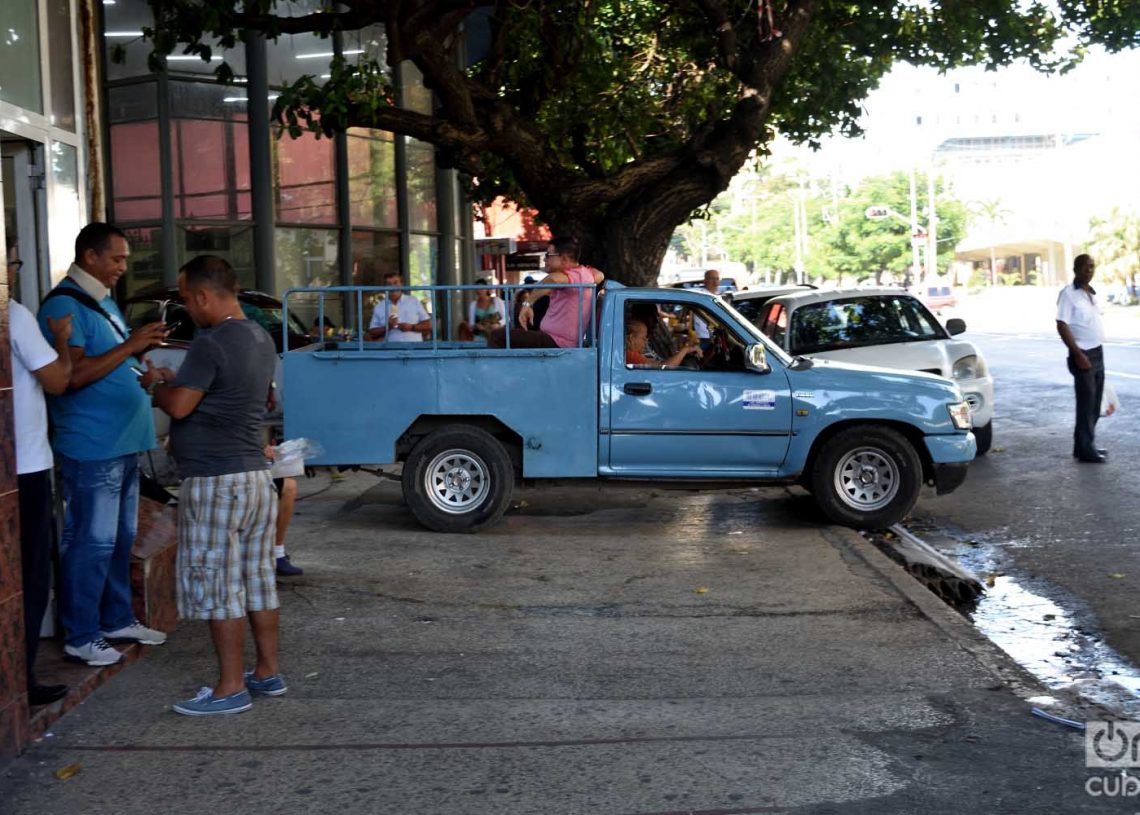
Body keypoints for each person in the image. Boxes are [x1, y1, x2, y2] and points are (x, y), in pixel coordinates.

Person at [142, 255, 283, 715]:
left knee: (220, 585)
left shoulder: (211, 341)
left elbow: (180, 407)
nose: (187, 308)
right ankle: (266, 671)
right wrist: (176, 380)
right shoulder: (260, 337)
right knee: (258, 580)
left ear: (204, 295)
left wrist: (155, 386)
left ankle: (228, 688)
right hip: (256, 480)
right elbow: (219, 393)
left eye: (186, 299)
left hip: (217, 482)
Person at [37, 223, 169, 667]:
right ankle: (81, 633)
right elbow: (70, 377)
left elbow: (112, 362)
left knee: (119, 539)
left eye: (125, 259)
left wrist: (143, 368)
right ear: (90, 257)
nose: (123, 267)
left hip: (123, 441)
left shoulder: (102, 302)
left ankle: (115, 618)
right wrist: (131, 343)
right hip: (92, 444)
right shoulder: (62, 304)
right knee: (91, 542)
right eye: (117, 258)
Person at [8, 245, 73, 705]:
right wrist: (63, 340)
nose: (14, 269)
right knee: (30, 576)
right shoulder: (14, 315)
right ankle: (22, 678)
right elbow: (57, 381)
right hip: (27, 467)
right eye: (13, 261)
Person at [488, 237, 604, 348]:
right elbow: (599, 275)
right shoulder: (580, 275)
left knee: (497, 336)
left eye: (548, 255)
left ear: (563, 258)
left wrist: (527, 304)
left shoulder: (578, 275)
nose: (544, 259)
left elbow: (553, 279)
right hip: (552, 339)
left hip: (558, 342)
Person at [1057, 254, 1108, 463]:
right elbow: (1062, 324)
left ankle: (1085, 445)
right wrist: (1078, 354)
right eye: (1086, 267)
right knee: (1086, 405)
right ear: (1076, 268)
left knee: (1095, 404)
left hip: (1097, 352)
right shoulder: (1068, 294)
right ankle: (1086, 450)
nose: (1089, 270)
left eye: (1092, 267)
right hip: (1082, 355)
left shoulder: (1090, 293)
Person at [367, 271, 432, 341]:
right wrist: (388, 327)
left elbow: (428, 325)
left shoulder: (413, 301)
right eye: (389, 284)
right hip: (390, 350)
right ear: (384, 287)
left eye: (395, 283)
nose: (392, 286)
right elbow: (372, 332)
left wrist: (411, 327)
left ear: (401, 284)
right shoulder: (379, 307)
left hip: (414, 349)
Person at [625, 319, 702, 368]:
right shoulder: (630, 355)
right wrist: (685, 350)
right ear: (631, 338)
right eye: (643, 338)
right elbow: (664, 367)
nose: (645, 342)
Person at [692, 269, 720, 352]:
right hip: (704, 337)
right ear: (705, 281)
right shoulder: (701, 296)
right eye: (712, 279)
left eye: (717, 279)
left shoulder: (718, 297)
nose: (715, 282)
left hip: (717, 337)